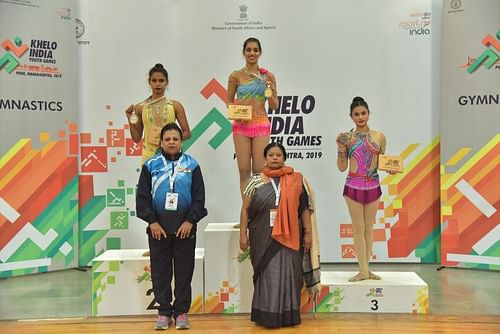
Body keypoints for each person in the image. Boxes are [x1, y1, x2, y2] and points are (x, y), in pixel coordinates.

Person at [239, 142, 320, 328]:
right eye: (271, 155)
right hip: (262, 236)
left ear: (284, 158)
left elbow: (304, 210)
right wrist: (243, 234)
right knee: (267, 273)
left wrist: (308, 233)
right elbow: (245, 210)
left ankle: (288, 315)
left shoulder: (296, 180)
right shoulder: (255, 181)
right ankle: (266, 315)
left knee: (290, 273)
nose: (275, 158)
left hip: (292, 236)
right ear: (265, 158)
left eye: (278, 155)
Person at [136, 123, 207, 330]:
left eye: (175, 139)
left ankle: (182, 312)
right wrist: (152, 222)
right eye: (167, 139)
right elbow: (142, 198)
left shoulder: (192, 165)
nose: (171, 142)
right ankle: (164, 312)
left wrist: (190, 221)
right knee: (160, 272)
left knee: (184, 272)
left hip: (185, 229)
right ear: (161, 142)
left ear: (181, 141)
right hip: (158, 230)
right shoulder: (151, 165)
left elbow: (199, 199)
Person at [336, 96, 391, 282]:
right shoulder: (347, 138)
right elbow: (341, 167)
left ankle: (367, 269)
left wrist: (391, 169)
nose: (360, 117)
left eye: (363, 113)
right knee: (358, 228)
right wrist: (340, 148)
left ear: (369, 113)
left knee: (369, 228)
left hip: (373, 184)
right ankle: (362, 271)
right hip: (353, 185)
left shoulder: (379, 137)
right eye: (356, 114)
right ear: (351, 116)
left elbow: (381, 163)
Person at [227, 37, 279, 196]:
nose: (252, 53)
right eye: (248, 50)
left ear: (260, 53)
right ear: (243, 52)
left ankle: (257, 211)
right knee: (244, 170)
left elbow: (274, 106)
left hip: (261, 124)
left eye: (255, 50)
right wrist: (236, 112)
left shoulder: (267, 76)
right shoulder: (235, 76)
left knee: (259, 170)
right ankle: (246, 211)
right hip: (241, 126)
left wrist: (268, 90)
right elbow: (229, 101)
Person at [125, 63, 191, 164]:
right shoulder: (140, 108)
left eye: (161, 81)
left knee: (172, 180)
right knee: (148, 180)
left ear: (166, 82)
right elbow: (137, 138)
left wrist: (169, 140)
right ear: (149, 82)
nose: (158, 84)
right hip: (148, 157)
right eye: (154, 80)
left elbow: (187, 133)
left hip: (171, 154)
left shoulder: (175, 106)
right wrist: (130, 119)